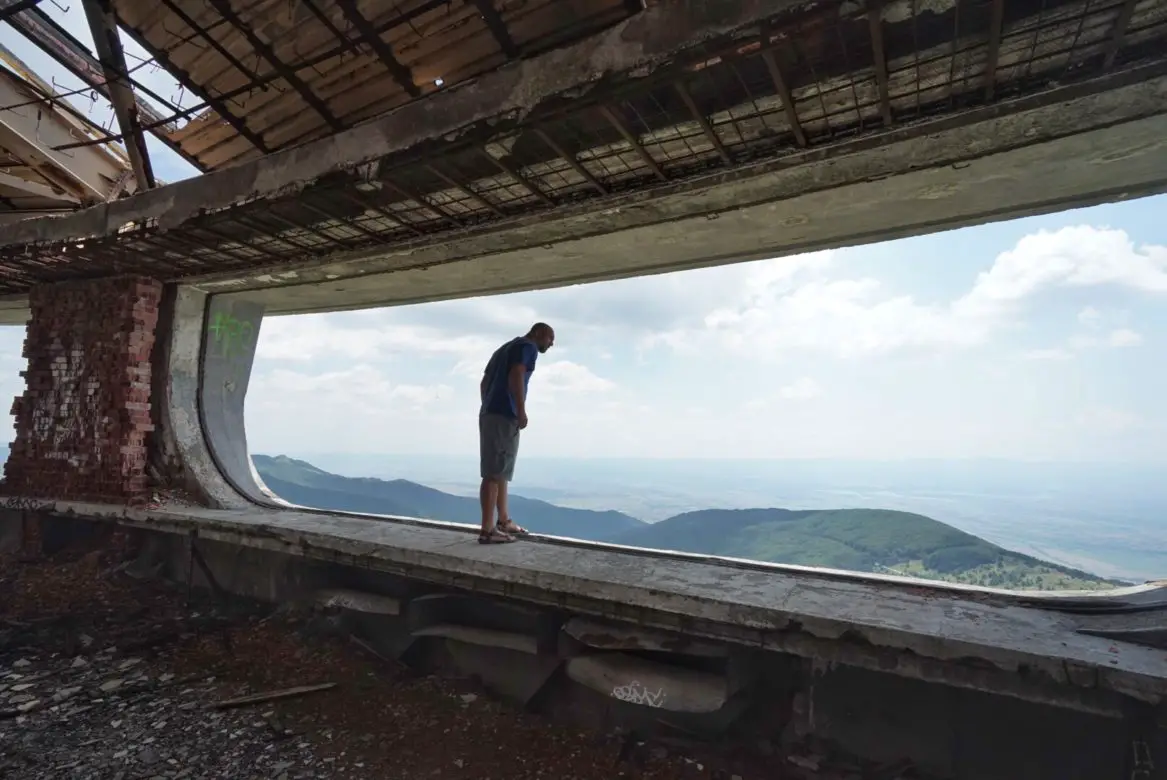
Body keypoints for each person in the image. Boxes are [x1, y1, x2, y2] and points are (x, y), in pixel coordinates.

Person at [477, 322, 555, 544]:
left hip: (491, 413)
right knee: (493, 473)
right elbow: (517, 373)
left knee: (501, 469)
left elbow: (484, 383)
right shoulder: (527, 347)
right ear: (539, 333)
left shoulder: (503, 349)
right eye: (550, 338)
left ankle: (503, 521)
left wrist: (489, 405)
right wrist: (519, 410)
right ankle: (487, 530)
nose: (552, 344)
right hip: (504, 414)